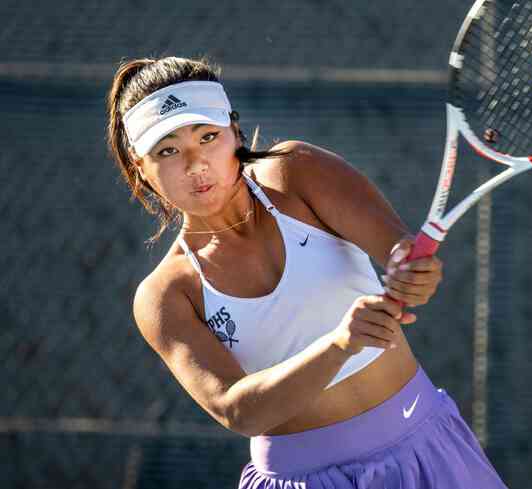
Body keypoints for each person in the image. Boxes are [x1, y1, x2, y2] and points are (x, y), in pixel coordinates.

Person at [106, 56, 509, 489]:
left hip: (427, 451)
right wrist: (340, 344)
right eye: (167, 150)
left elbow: (398, 251)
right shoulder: (165, 295)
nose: (195, 163)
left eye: (208, 137)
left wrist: (411, 271)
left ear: (234, 133)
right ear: (138, 167)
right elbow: (238, 410)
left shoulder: (297, 171)